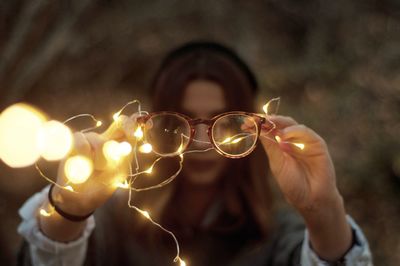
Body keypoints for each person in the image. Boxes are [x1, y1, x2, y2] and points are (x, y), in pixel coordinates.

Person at [17, 41, 373, 265]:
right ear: (151, 123)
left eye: (224, 122)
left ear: (255, 125)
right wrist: (68, 212)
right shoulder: (111, 220)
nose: (201, 141)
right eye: (180, 121)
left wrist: (323, 209)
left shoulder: (278, 234)